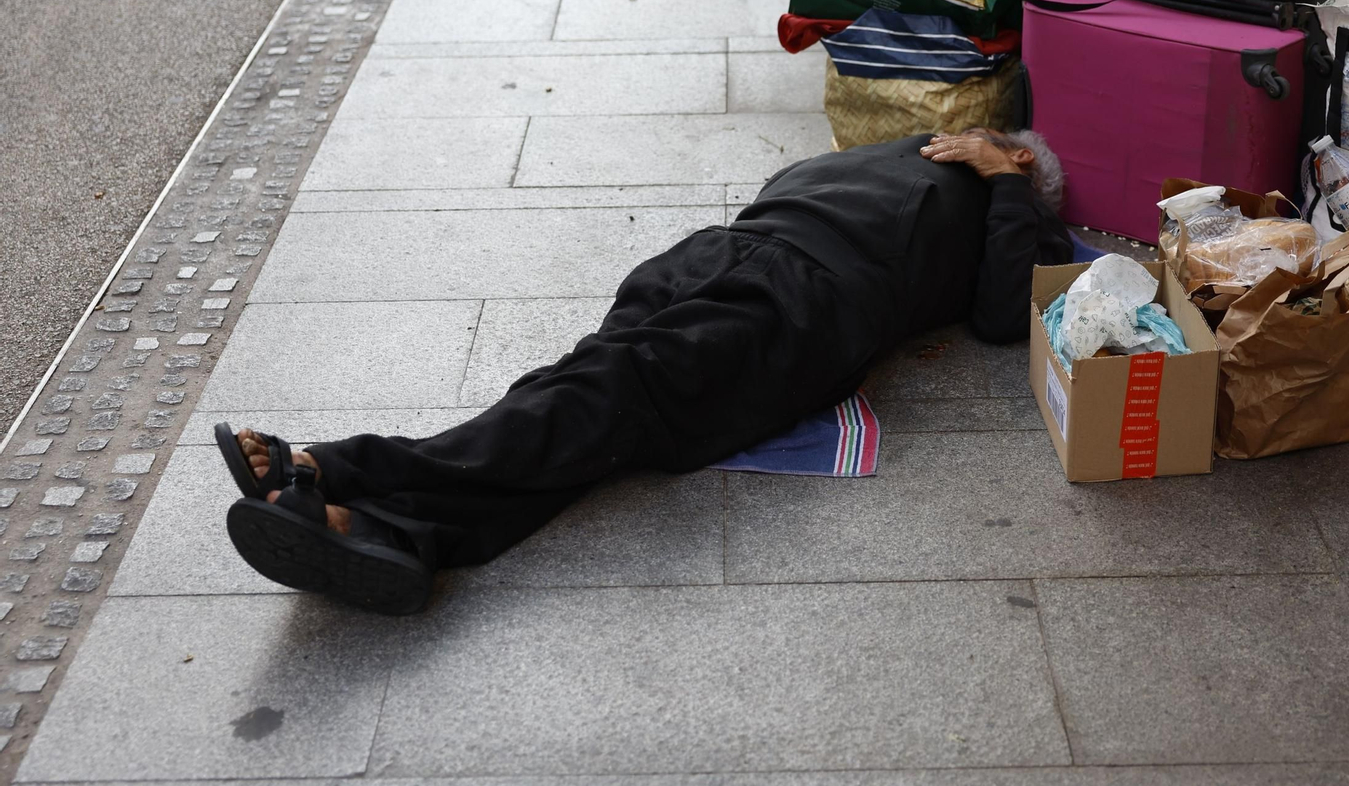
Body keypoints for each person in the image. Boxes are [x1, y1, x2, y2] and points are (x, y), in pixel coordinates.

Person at [216, 128, 1072, 613]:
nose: (972, 139)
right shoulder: (916, 147)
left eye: (998, 144)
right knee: (593, 403)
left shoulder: (1010, 207)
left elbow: (1003, 317)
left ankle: (340, 468)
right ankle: (402, 537)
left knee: (606, 396)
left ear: (1022, 163)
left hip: (803, 301)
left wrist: (1005, 188)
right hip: (720, 251)